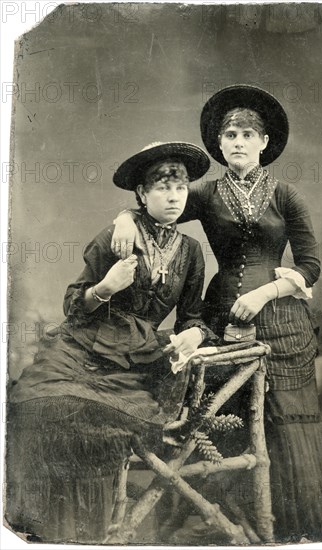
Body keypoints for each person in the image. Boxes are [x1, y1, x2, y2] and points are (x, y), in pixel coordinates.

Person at [111, 85, 322, 543]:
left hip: (282, 320)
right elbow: (156, 204)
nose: (237, 141)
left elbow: (311, 265)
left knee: (286, 423)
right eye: (229, 134)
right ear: (219, 143)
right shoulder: (207, 192)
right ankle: (218, 519)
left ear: (264, 143)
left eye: (247, 134)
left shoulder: (286, 194)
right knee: (219, 417)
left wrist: (267, 292)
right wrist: (122, 218)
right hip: (219, 318)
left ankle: (297, 530)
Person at [6, 141, 216, 544]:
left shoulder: (190, 251)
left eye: (180, 189)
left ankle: (91, 526)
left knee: (98, 416)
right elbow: (73, 305)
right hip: (83, 345)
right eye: (161, 188)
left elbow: (193, 315)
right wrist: (106, 286)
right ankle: (44, 524)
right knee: (38, 404)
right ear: (141, 194)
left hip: (138, 357)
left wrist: (193, 332)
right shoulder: (117, 235)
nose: (173, 197)